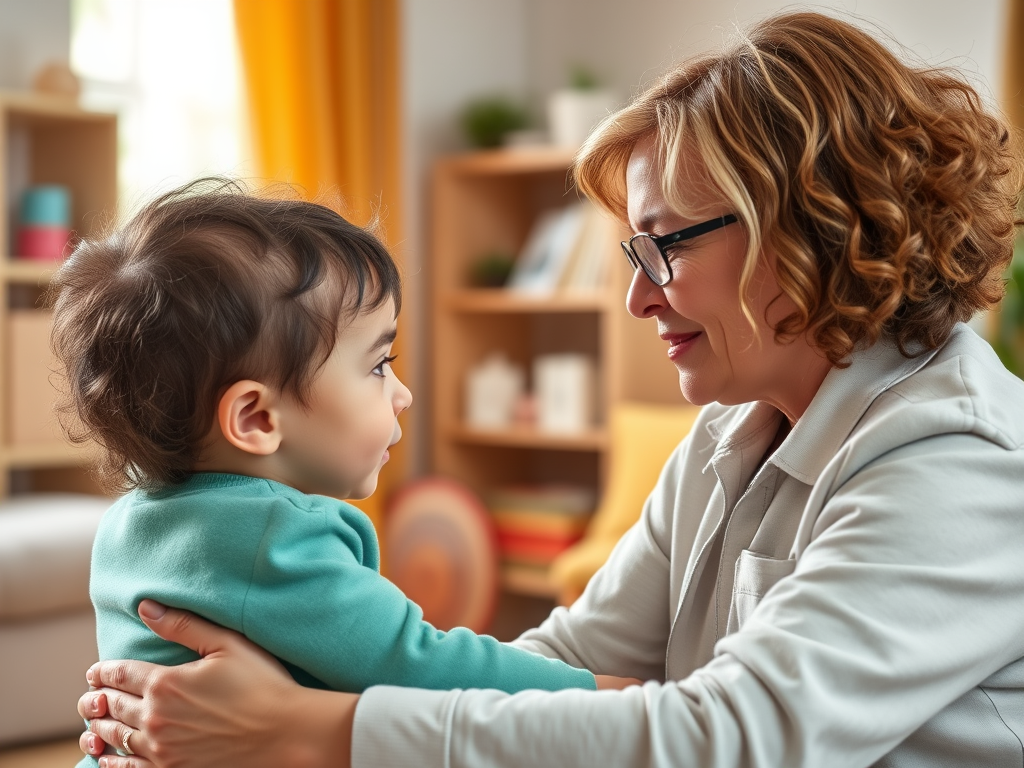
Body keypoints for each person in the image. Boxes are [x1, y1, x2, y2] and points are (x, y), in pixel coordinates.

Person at [76, 11, 1024, 768]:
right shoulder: (732, 434)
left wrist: (306, 734)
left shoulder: (961, 465)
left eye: (665, 245)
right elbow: (576, 662)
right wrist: (231, 723)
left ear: (810, 224)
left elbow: (734, 740)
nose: (636, 295)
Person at [50, 181, 634, 767]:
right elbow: (419, 665)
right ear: (255, 418)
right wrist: (593, 697)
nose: (402, 394)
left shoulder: (133, 516)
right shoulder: (275, 539)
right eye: (379, 365)